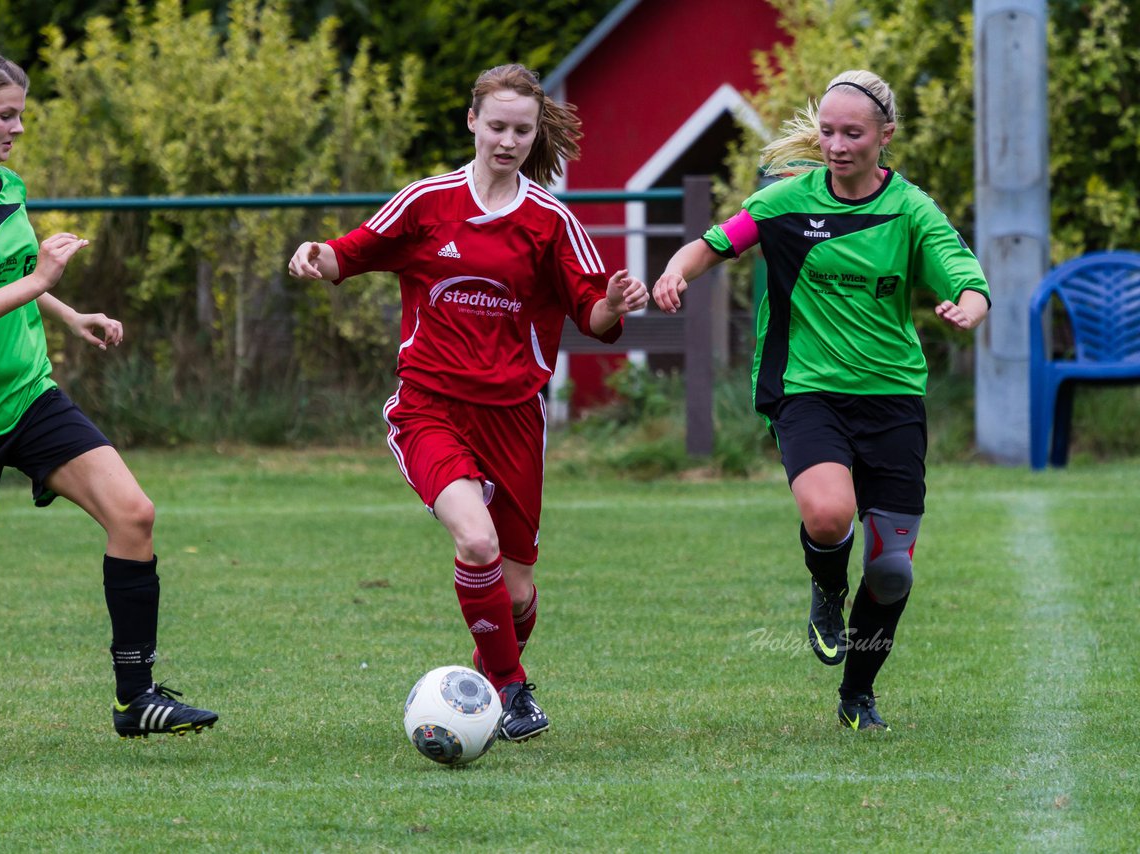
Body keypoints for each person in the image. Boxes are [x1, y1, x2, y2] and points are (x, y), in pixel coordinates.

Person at [0, 50, 218, 756]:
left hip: (28, 392)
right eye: (6, 113)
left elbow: (16, 272)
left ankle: (135, 696)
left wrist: (67, 311)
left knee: (134, 513)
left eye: (21, 113)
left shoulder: (7, 185)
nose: (18, 127)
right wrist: (41, 280)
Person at [289, 63, 648, 742]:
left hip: (515, 418)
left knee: (514, 597)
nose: (508, 141)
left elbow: (594, 318)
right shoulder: (428, 202)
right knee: (475, 541)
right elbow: (353, 253)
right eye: (497, 126)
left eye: (522, 129)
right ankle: (513, 694)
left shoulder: (550, 221)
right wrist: (315, 253)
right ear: (472, 123)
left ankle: (478, 692)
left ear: (534, 131)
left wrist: (612, 302)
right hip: (431, 406)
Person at [653, 70, 990, 731]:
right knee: (830, 514)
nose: (836, 145)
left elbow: (964, 271)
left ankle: (856, 696)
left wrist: (970, 307)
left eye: (852, 133)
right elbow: (714, 243)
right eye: (828, 131)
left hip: (893, 397)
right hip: (807, 392)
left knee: (893, 570)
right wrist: (674, 271)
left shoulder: (910, 210)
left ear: (884, 137)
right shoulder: (785, 202)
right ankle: (828, 588)